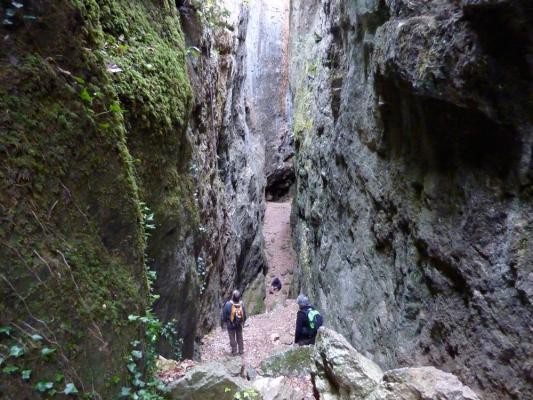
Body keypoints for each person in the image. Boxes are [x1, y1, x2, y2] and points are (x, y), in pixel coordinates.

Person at [221, 290, 247, 355]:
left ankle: (234, 351)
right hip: (239, 324)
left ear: (232, 296)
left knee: (232, 338)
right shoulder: (242, 304)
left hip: (230, 324)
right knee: (240, 337)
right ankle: (241, 350)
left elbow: (224, 315)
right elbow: (244, 314)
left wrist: (224, 323)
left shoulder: (228, 304)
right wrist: (243, 322)